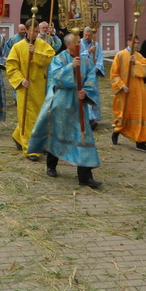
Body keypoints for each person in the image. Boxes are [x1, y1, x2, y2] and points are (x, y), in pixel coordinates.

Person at [27, 33, 102, 189]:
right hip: (62, 104)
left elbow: (90, 78)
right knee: (57, 134)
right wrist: (71, 67)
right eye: (76, 43)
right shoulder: (59, 58)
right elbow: (55, 78)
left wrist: (86, 92)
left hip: (78, 105)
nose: (79, 46)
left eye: (79, 43)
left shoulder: (85, 60)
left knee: (84, 138)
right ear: (69, 45)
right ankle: (51, 166)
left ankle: (85, 176)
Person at [5, 22, 56, 160]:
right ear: (26, 30)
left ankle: (17, 135)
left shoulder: (42, 44)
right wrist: (21, 80)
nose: (34, 34)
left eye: (37, 31)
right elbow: (11, 66)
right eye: (32, 31)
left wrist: (35, 54)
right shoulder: (18, 47)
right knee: (27, 116)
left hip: (39, 85)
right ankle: (30, 148)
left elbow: (50, 57)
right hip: (24, 87)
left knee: (38, 115)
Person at [110, 32, 146, 152]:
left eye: (137, 43)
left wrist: (136, 63)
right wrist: (122, 86)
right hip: (125, 92)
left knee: (140, 115)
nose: (136, 45)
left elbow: (145, 70)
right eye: (134, 42)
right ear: (128, 42)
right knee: (124, 115)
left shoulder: (139, 57)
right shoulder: (120, 55)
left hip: (138, 92)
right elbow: (114, 74)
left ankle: (140, 141)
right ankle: (117, 131)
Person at [79, 27, 104, 131]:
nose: (87, 37)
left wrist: (97, 69)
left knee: (92, 94)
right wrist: (88, 51)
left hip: (92, 75)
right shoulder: (79, 43)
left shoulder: (96, 45)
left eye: (89, 35)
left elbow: (100, 58)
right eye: (86, 35)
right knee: (83, 94)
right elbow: (77, 56)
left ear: (92, 35)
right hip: (82, 74)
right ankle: (85, 118)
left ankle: (92, 118)